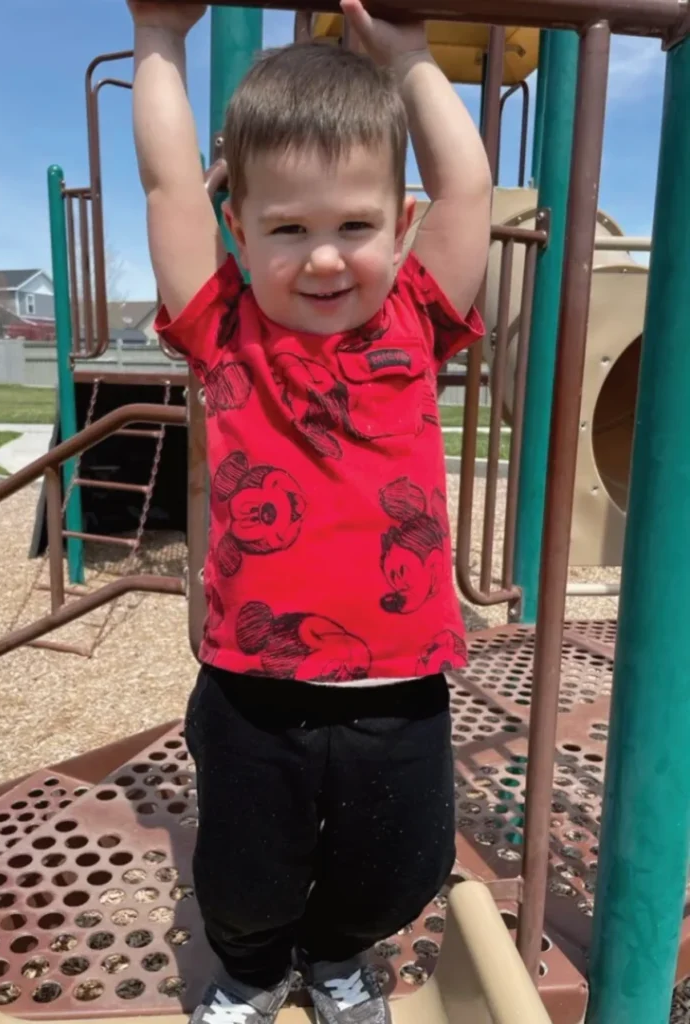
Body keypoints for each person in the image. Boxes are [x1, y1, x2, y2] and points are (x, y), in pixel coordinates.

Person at [128, 1, 491, 1022]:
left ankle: (337, 956)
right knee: (246, 873)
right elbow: (167, 181)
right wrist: (159, 37)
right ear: (238, 229)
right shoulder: (224, 328)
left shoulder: (417, 321)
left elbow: (466, 182)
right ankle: (250, 969)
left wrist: (412, 59)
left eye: (354, 227)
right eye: (288, 229)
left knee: (402, 861)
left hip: (400, 684)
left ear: (401, 224)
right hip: (254, 684)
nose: (325, 258)